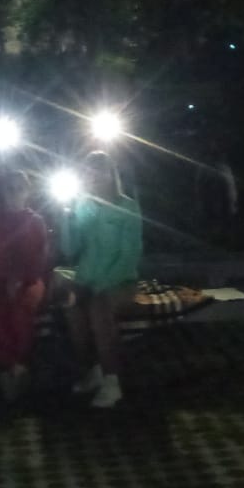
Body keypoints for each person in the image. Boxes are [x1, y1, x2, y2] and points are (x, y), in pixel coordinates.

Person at [59, 151, 143, 409]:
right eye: (89, 172)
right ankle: (93, 370)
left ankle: (112, 381)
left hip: (121, 281)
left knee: (99, 307)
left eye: (99, 171)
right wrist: (66, 219)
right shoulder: (83, 205)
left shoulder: (127, 207)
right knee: (72, 309)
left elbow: (130, 255)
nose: (94, 176)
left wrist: (101, 287)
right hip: (89, 280)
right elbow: (70, 249)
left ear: (110, 174)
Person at [0, 170, 50, 401]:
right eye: (10, 188)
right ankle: (11, 365)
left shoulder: (36, 221)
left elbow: (40, 258)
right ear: (3, 192)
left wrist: (20, 279)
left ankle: (18, 366)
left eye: (20, 188)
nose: (15, 193)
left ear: (28, 191)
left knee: (20, 310)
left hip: (28, 280)